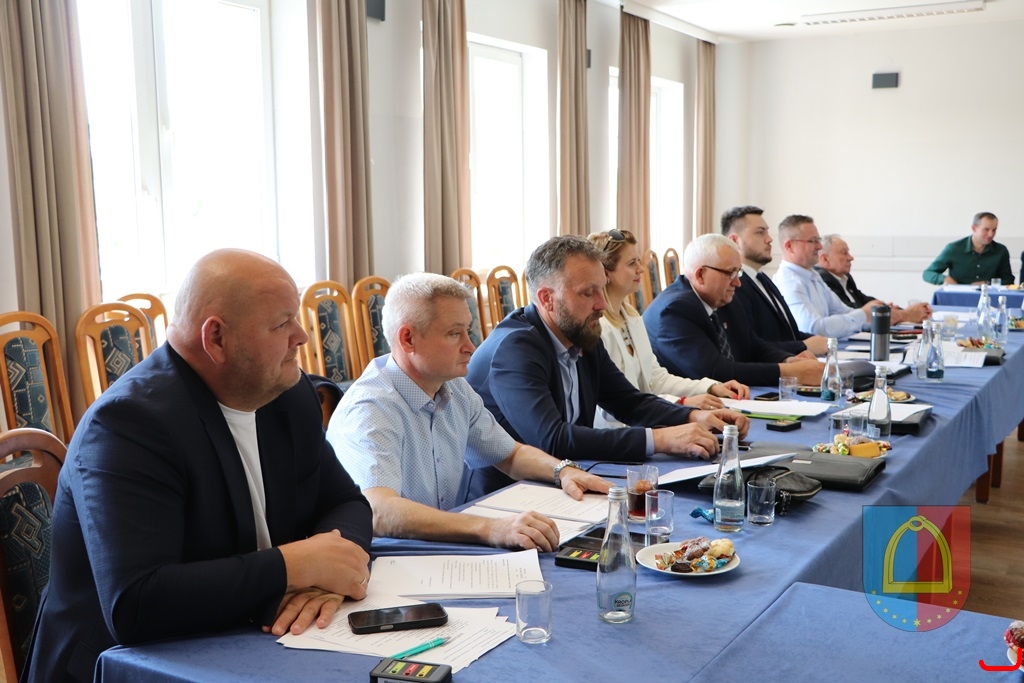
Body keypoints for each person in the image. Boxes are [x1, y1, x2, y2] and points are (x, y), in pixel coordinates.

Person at [23, 249, 373, 683]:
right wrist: (294, 565)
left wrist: (327, 577)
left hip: (252, 638)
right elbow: (136, 604)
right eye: (282, 324)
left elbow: (346, 502)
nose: (301, 336)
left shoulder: (287, 393)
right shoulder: (127, 425)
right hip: (123, 666)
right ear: (216, 338)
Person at [326, 273, 610, 552]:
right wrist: (490, 528)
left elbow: (510, 455)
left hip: (438, 549)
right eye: (454, 334)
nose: (470, 346)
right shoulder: (371, 410)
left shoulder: (454, 388)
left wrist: (563, 471)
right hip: (383, 559)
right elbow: (378, 510)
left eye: (468, 330)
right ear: (408, 339)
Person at [467, 235, 748, 468]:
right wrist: (661, 439)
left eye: (602, 289)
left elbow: (629, 402)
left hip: (567, 480)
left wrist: (693, 416)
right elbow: (552, 439)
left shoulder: (580, 332)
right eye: (588, 293)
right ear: (547, 299)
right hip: (504, 499)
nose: (602, 304)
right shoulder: (515, 348)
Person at [585, 229, 749, 426]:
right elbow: (615, 404)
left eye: (638, 261)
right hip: (616, 432)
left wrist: (710, 387)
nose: (641, 269)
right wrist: (682, 403)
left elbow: (656, 378)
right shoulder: (598, 327)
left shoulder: (631, 316)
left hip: (645, 424)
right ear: (605, 273)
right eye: (631, 263)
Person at [643, 234, 825, 388]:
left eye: (738, 273)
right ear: (700, 275)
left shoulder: (724, 298)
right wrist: (789, 372)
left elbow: (754, 346)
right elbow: (715, 373)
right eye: (730, 273)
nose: (737, 283)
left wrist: (788, 360)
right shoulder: (675, 310)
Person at [721, 205, 828, 356]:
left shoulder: (762, 278)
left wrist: (819, 342)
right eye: (760, 232)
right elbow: (750, 347)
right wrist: (803, 346)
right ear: (734, 241)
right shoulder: (734, 285)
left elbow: (787, 333)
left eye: (767, 232)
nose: (769, 239)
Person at [773, 215, 887, 339]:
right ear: (789, 246)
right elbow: (814, 329)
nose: (819, 246)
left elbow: (843, 311)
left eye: (818, 240)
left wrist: (877, 318)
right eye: (812, 241)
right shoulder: (789, 283)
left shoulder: (813, 275)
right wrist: (864, 314)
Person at [816, 234, 931, 323]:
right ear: (825, 259)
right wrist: (905, 314)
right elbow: (849, 312)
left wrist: (888, 308)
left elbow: (864, 300)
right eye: (844, 253)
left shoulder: (845, 278)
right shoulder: (823, 280)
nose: (851, 257)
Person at [923, 212, 1014, 285]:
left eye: (994, 230)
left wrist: (987, 283)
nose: (991, 234)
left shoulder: (1001, 251)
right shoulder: (954, 249)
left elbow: (1008, 280)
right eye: (986, 229)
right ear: (974, 228)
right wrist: (944, 279)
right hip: (958, 297)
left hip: (989, 298)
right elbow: (928, 273)